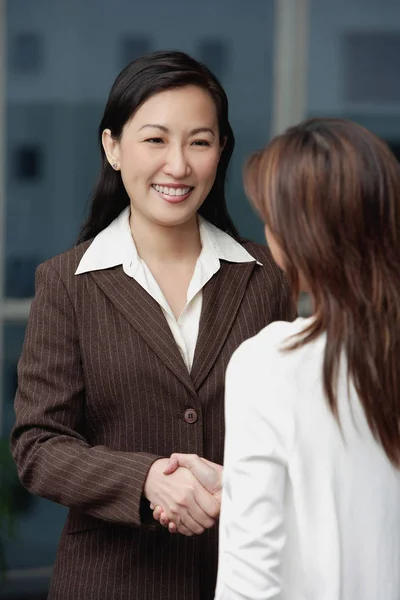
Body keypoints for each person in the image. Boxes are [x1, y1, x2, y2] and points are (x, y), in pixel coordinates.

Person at [10, 50, 295, 600]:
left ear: (221, 152)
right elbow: (38, 446)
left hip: (244, 577)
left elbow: (295, 437)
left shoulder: (269, 279)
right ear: (112, 147)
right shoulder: (67, 283)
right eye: (155, 139)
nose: (179, 165)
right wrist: (142, 480)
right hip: (109, 581)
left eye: (200, 141)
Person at [212, 118, 400, 599]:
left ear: (301, 240)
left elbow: (249, 579)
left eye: (272, 221)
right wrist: (239, 482)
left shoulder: (270, 364)